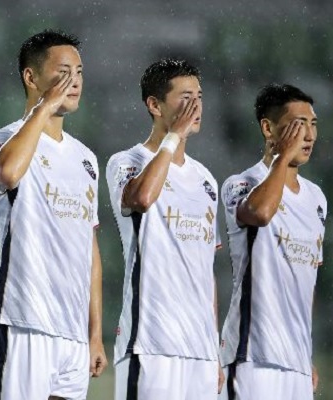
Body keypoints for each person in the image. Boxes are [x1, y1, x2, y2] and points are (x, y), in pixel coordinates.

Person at [0, 29, 107, 400]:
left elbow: (90, 250)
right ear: (31, 78)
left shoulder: (85, 159)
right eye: (63, 72)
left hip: (71, 335)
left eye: (79, 73)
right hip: (21, 322)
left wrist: (94, 334)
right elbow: (7, 173)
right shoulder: (3, 140)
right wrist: (44, 109)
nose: (74, 81)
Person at [105, 58, 223, 399]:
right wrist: (172, 138)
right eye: (185, 98)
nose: (196, 106)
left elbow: (206, 270)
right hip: (151, 344)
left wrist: (214, 348)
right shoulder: (126, 162)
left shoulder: (205, 179)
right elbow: (141, 198)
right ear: (155, 105)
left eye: (199, 97)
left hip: (200, 351)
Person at [219, 84, 324, 400]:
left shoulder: (317, 198)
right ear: (268, 128)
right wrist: (282, 157)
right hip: (253, 355)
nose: (309, 135)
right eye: (298, 125)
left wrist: (305, 350)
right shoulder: (241, 184)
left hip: (297, 362)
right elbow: (261, 213)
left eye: (313, 124)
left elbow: (306, 280)